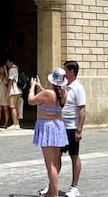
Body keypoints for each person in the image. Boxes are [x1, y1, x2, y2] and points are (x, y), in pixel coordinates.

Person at [48, 59, 86, 197]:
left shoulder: (78, 88)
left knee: (74, 156)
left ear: (71, 71)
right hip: (60, 126)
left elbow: (82, 110)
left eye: (65, 70)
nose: (63, 72)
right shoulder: (63, 86)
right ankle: (52, 186)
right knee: (56, 156)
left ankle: (74, 187)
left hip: (71, 127)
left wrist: (79, 130)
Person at [29, 68, 69, 197]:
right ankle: (52, 192)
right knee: (55, 162)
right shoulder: (63, 93)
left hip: (47, 127)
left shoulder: (47, 93)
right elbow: (49, 98)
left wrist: (32, 87)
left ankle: (54, 194)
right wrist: (40, 87)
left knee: (50, 164)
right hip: (58, 126)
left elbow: (31, 100)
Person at [6, 59, 22, 130]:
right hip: (19, 90)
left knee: (12, 107)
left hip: (13, 90)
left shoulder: (11, 69)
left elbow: (10, 81)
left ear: (11, 62)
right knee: (16, 107)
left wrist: (8, 92)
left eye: (8, 62)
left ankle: (15, 124)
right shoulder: (17, 69)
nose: (7, 64)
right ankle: (17, 123)